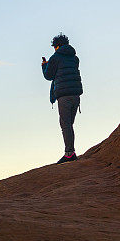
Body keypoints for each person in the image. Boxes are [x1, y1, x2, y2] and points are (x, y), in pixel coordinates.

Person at [41, 33, 83, 163]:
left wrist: (44, 65)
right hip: (76, 95)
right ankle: (70, 151)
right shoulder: (74, 58)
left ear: (57, 46)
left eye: (54, 47)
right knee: (69, 124)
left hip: (64, 95)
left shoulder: (56, 57)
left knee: (65, 124)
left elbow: (49, 75)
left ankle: (69, 154)